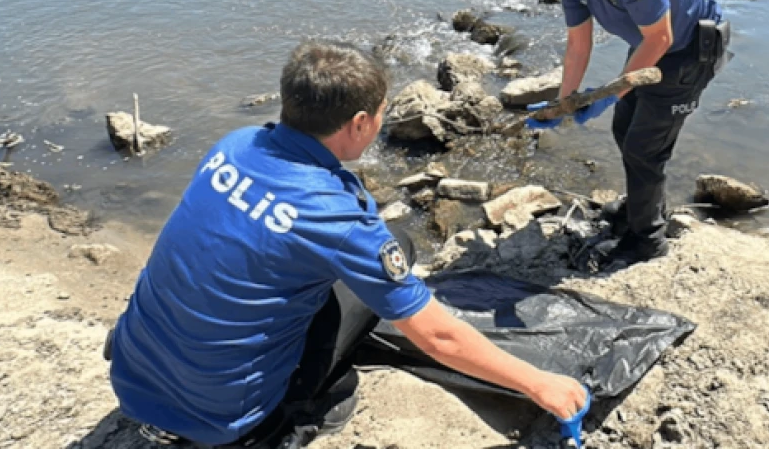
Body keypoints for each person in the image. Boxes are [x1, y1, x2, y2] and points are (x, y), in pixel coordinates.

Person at [107, 40, 586, 449]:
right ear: (360, 122)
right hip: (223, 418)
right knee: (395, 244)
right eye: (381, 115)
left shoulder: (234, 144)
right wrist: (541, 384)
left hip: (133, 378)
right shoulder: (337, 216)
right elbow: (436, 336)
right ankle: (294, 409)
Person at [510, 0, 729, 269]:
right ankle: (640, 208)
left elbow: (660, 39)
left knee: (646, 147)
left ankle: (647, 241)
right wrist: (564, 101)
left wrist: (611, 94)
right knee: (623, 129)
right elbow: (579, 43)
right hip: (648, 42)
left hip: (689, 50)